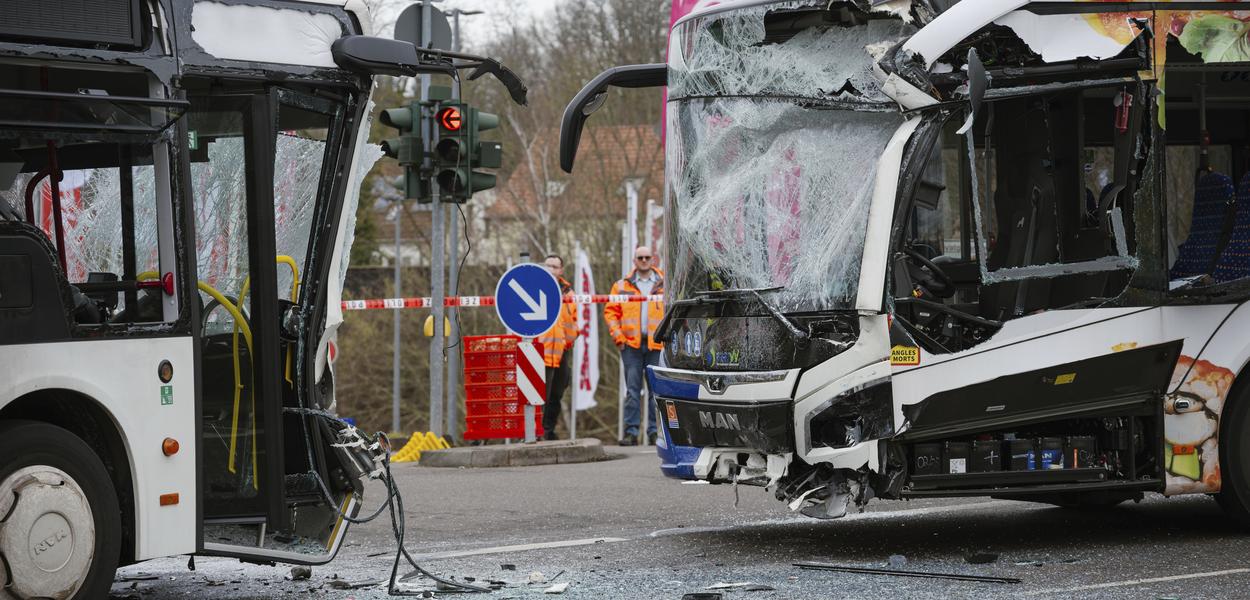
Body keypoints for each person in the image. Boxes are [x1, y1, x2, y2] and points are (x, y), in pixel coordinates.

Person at [604, 245, 665, 446]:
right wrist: (618, 337)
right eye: (640, 258)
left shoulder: (665, 282)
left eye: (647, 257)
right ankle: (631, 432)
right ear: (634, 260)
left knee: (655, 392)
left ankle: (654, 432)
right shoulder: (622, 285)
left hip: (656, 345)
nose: (644, 261)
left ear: (653, 259)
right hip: (630, 345)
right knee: (632, 390)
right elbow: (610, 312)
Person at [537, 253, 578, 441]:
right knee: (539, 394)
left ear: (561, 270)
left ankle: (548, 429)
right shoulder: (534, 287)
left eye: (555, 267)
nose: (551, 270)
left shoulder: (568, 292)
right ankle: (536, 431)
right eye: (548, 266)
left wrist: (568, 342)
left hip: (562, 350)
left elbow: (574, 321)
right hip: (540, 350)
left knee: (557, 392)